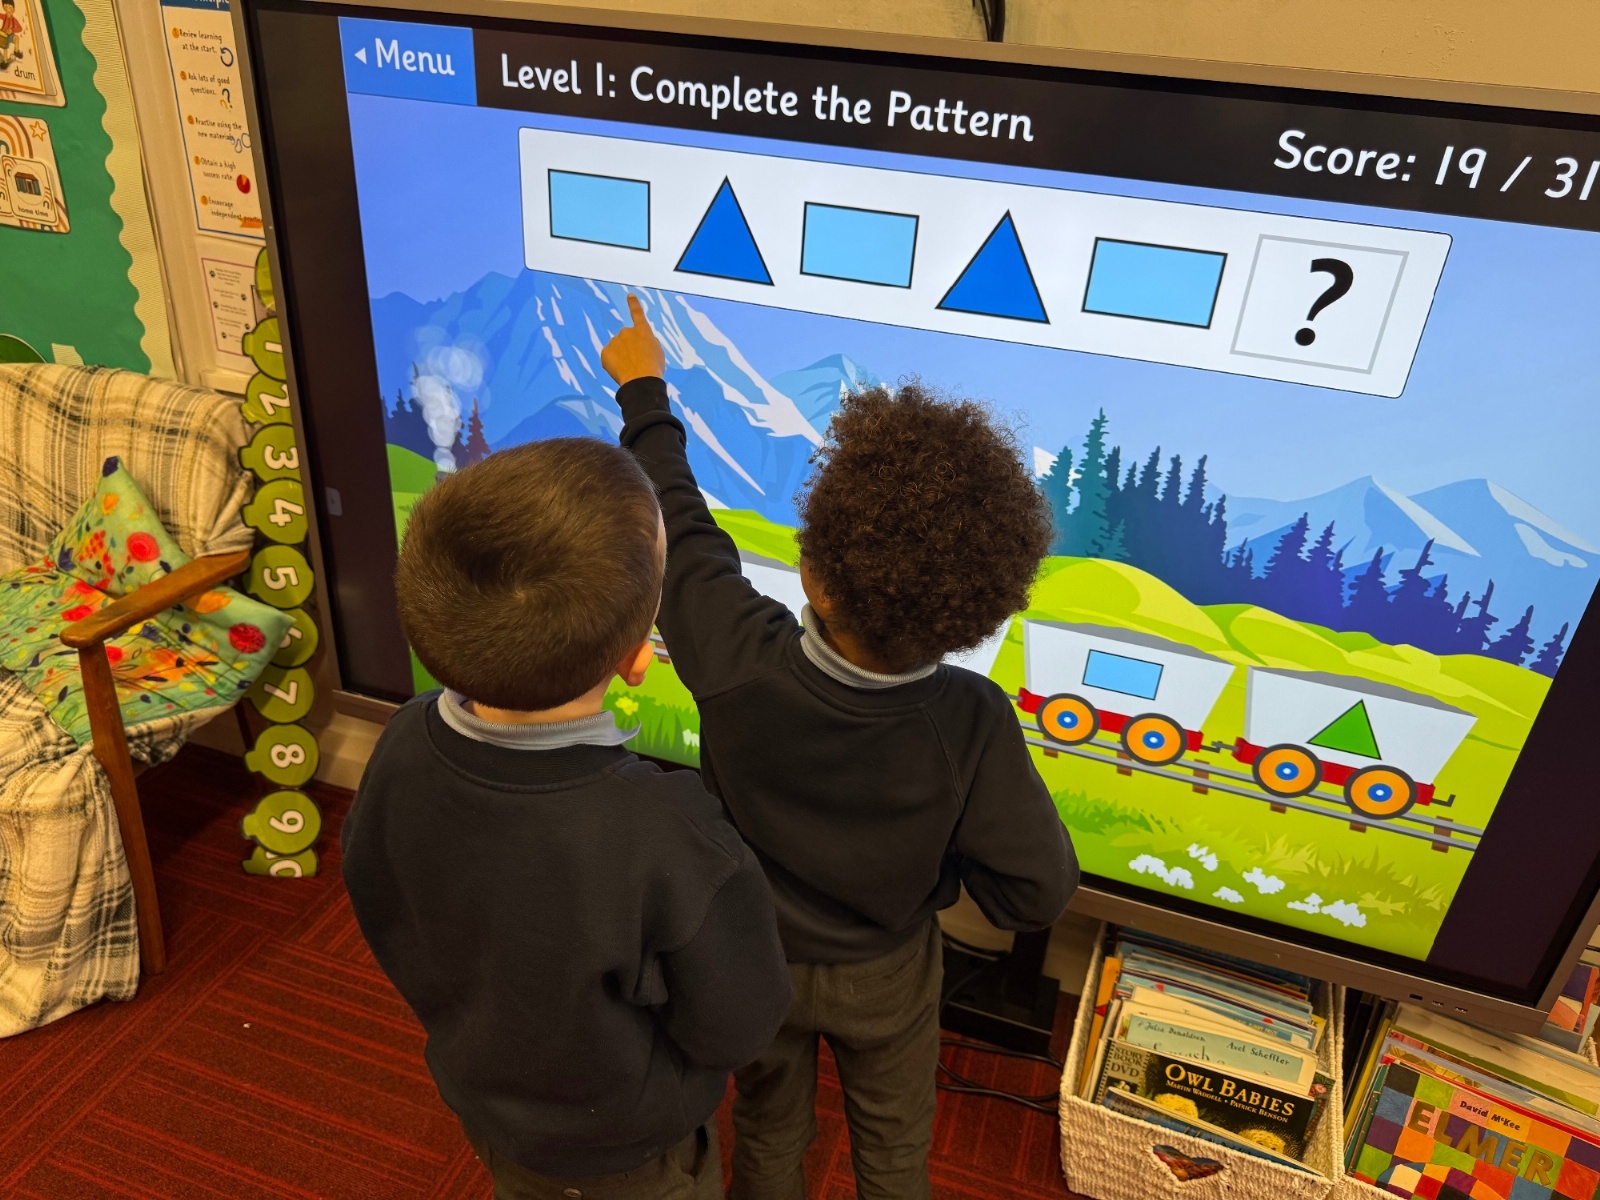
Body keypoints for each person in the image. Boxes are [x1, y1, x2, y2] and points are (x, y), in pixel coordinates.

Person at [602, 296, 1079, 1200]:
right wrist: (936, 875)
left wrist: (645, 393)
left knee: (768, 1129)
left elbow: (681, 524)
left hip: (753, 957)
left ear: (813, 575)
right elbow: (1036, 893)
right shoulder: (973, 719)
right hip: (887, 974)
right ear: (973, 616)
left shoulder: (735, 655)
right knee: (894, 1155)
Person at [342, 437, 791, 1200]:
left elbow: (377, 892)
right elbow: (739, 1024)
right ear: (638, 660)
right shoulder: (671, 833)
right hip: (627, 1150)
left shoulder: (403, 739)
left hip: (484, 1100)